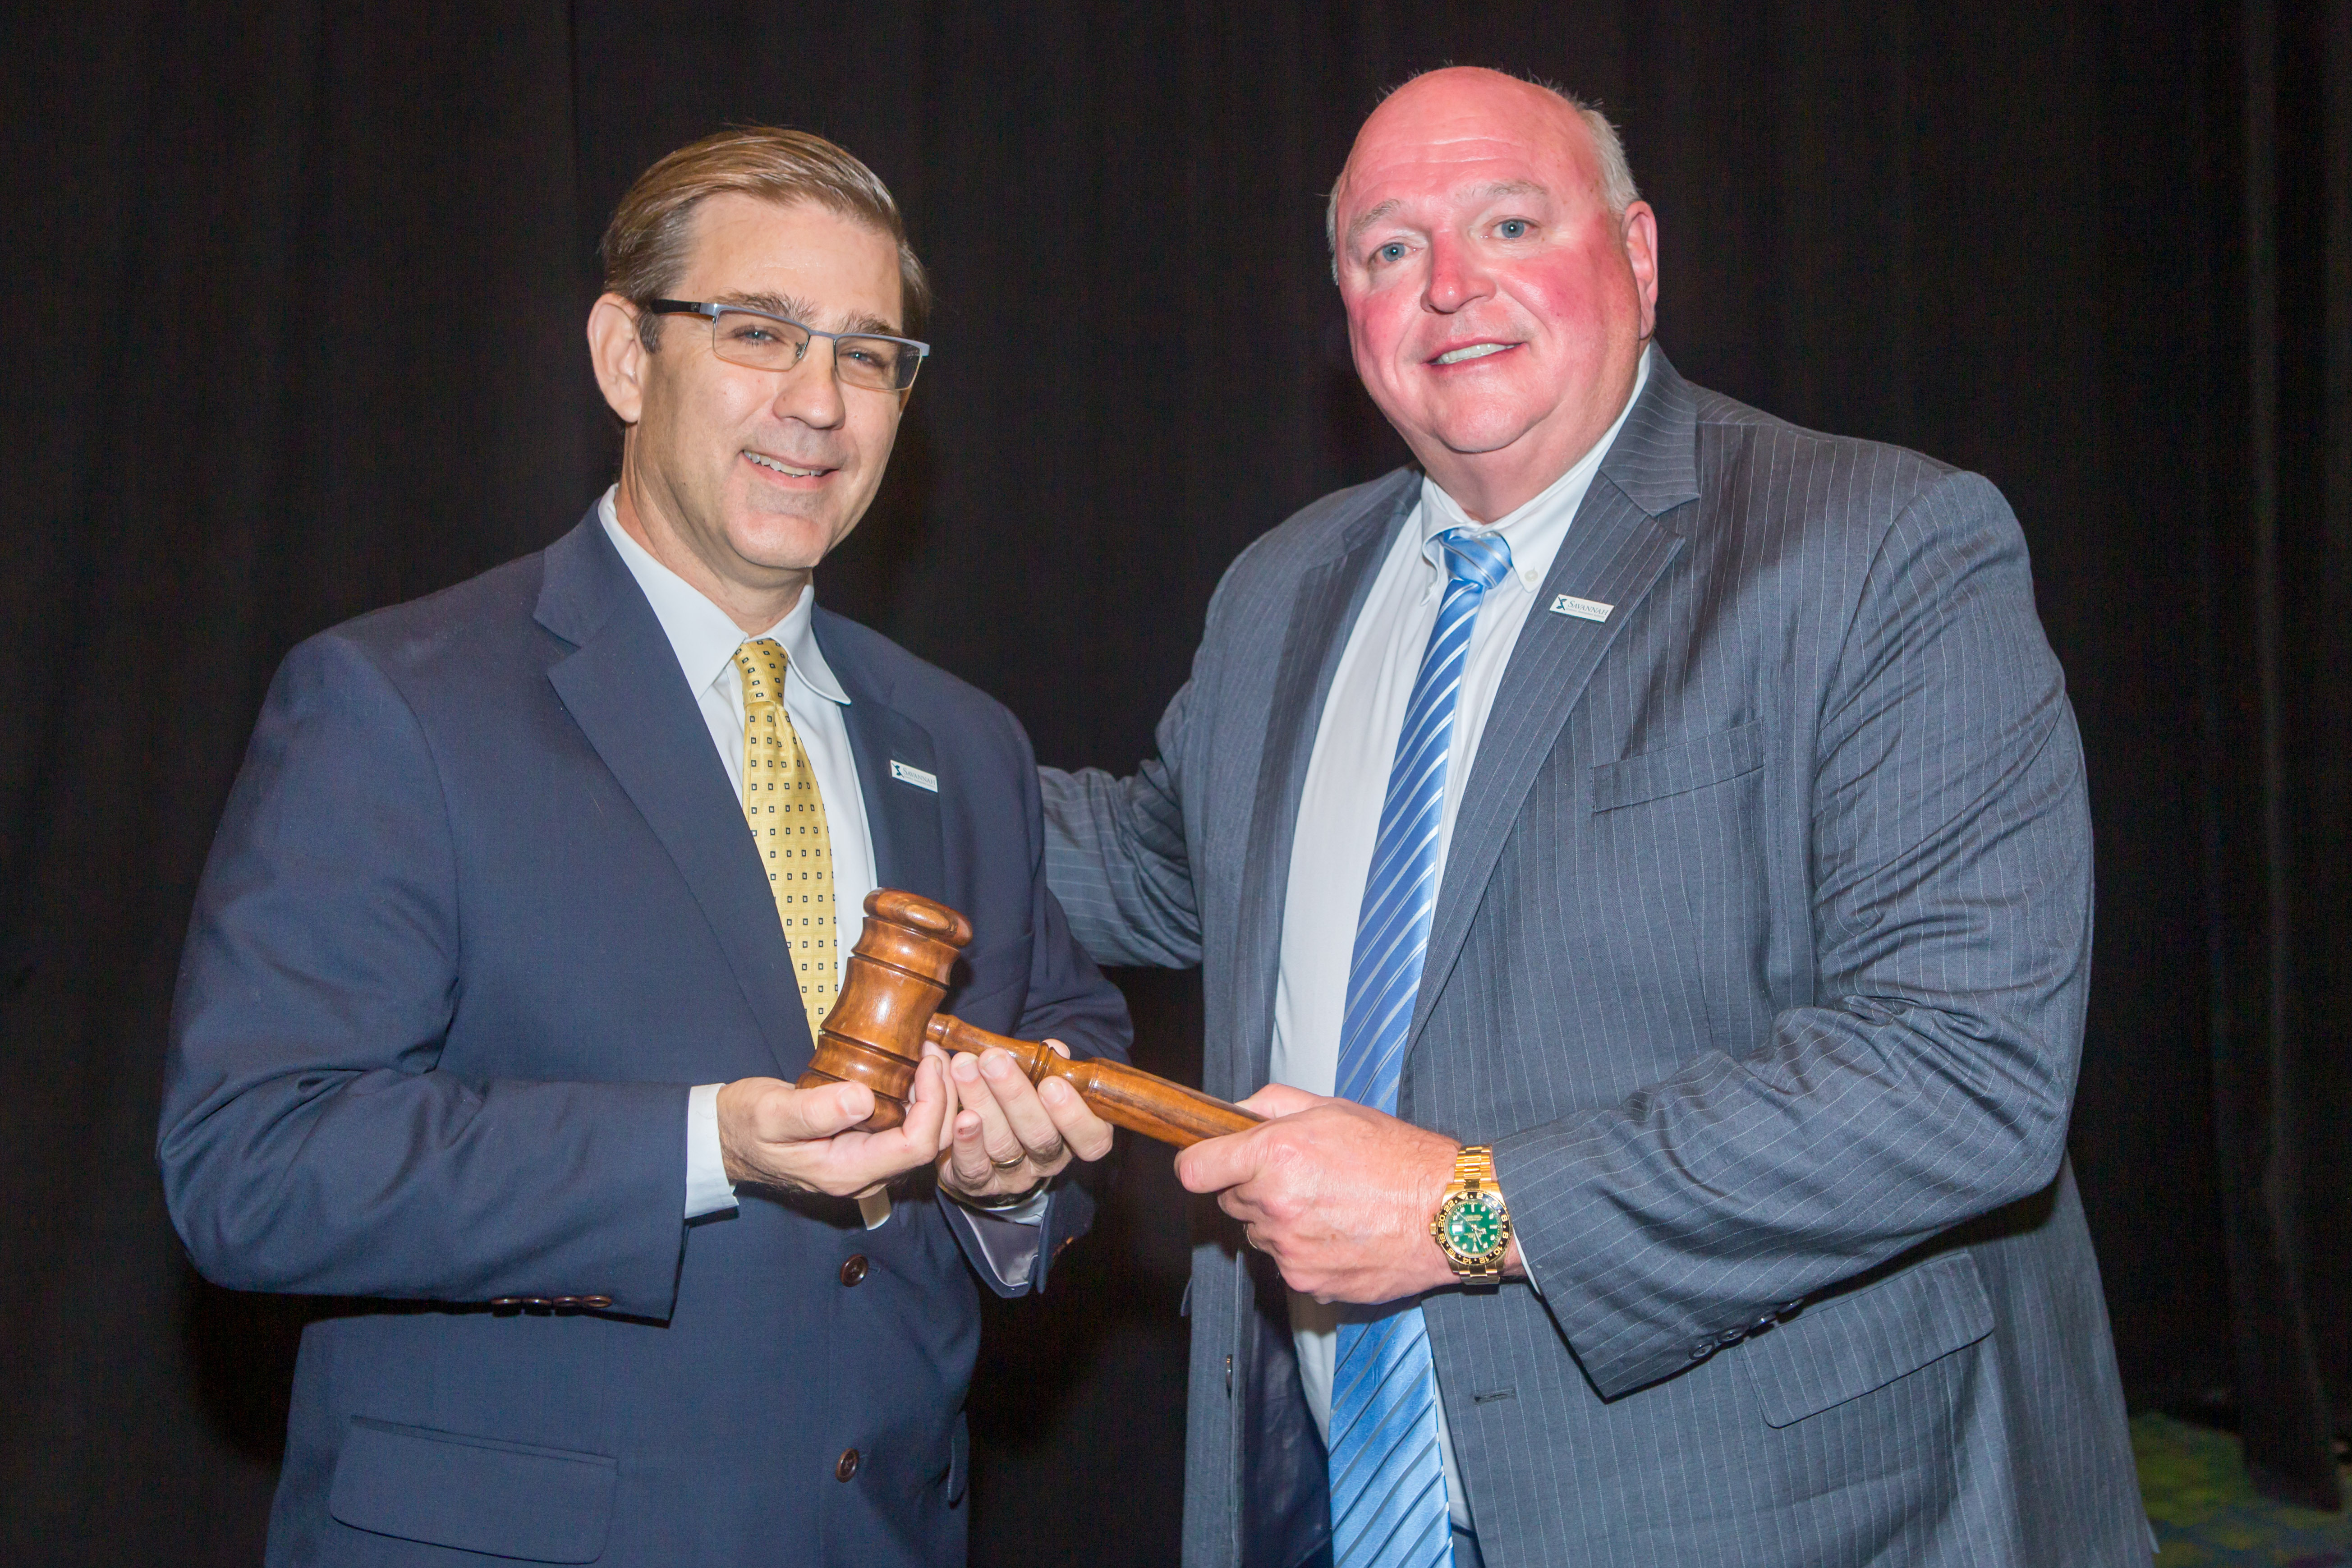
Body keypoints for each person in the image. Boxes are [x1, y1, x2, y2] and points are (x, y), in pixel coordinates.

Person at [1042, 67, 2149, 1568]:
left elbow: (1965, 1076)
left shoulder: (1881, 550)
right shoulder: (1282, 591)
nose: (1448, 287)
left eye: (1508, 222)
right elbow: (1159, 864)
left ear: (1636, 254)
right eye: (1387, 249)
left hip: (1762, 1518)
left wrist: (1473, 1211)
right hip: (1321, 1493)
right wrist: (814, 739)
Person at [159, 127, 1125, 1568]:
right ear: (625, 355)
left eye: (868, 356)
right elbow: (253, 1168)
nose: (817, 402)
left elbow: (1061, 1044)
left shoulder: (963, 738)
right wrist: (703, 1144)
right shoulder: (397, 702)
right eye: (759, 333)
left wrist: (1018, 1186)